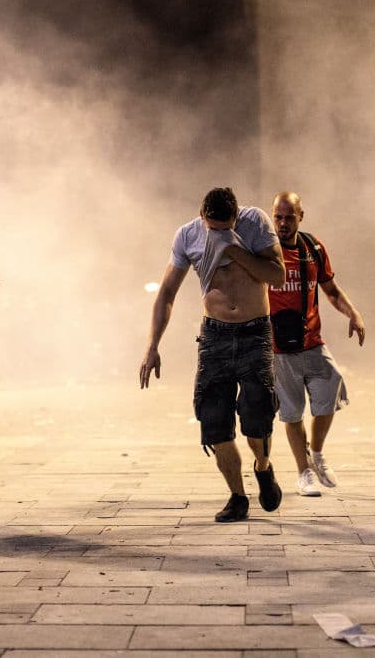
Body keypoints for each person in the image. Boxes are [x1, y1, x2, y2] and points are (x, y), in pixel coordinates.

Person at [140, 187, 286, 522]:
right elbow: (166, 294)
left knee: (257, 414)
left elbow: (276, 275)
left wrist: (234, 249)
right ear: (203, 216)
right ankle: (237, 496)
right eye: (213, 227)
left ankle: (263, 467)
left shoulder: (254, 224)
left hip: (254, 332)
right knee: (213, 419)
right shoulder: (188, 235)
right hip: (215, 337)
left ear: (237, 215)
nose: (218, 233)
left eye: (226, 226)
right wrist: (152, 346)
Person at [268, 191, 365, 497]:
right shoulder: (264, 250)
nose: (283, 223)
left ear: (301, 216)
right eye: (278, 217)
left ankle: (317, 453)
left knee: (330, 387)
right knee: (292, 412)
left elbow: (330, 289)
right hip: (279, 348)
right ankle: (303, 473)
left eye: (289, 217)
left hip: (312, 340)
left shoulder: (313, 248)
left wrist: (353, 313)